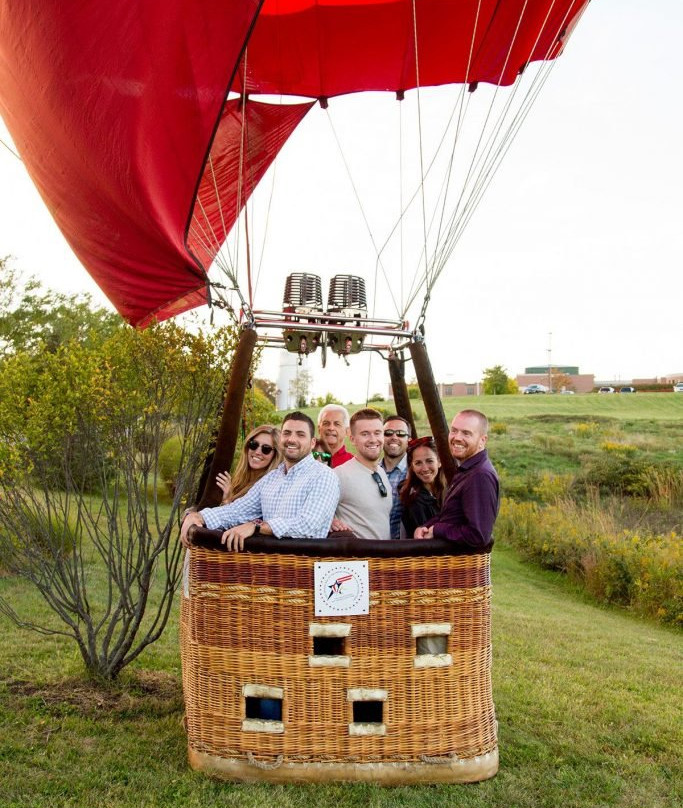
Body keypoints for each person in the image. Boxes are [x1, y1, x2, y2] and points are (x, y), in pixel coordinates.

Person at [180, 412, 340, 551]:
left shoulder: (323, 476)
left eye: (300, 434)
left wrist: (256, 527)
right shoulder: (271, 478)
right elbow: (238, 510)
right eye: (287, 433)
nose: (292, 439)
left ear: (312, 443)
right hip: (266, 568)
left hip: (302, 570)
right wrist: (198, 517)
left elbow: (309, 526)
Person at [414, 410, 499, 550]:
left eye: (466, 433)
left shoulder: (480, 476)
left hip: (463, 569)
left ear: (482, 440)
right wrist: (426, 527)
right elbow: (451, 515)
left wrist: (437, 530)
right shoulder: (467, 470)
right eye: (454, 431)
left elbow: (478, 536)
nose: (457, 438)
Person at [330, 408, 392, 540]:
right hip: (358, 558)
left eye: (377, 433)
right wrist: (330, 522)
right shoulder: (339, 475)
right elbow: (316, 514)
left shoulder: (382, 472)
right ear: (352, 439)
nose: (373, 439)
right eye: (365, 434)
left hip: (384, 558)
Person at [215, 424, 282, 504]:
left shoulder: (268, 489)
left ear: (275, 455)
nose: (257, 452)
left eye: (266, 449)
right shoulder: (238, 480)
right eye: (254, 445)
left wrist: (227, 501)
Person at [399, 436, 447, 539]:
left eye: (429, 461)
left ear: (439, 462)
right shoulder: (414, 499)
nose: (424, 468)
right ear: (412, 466)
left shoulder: (450, 489)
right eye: (418, 463)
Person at [380, 415, 410, 539]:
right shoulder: (370, 472)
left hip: (405, 551)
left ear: (409, 440)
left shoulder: (418, 473)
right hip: (373, 547)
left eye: (401, 434)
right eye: (388, 433)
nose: (394, 437)